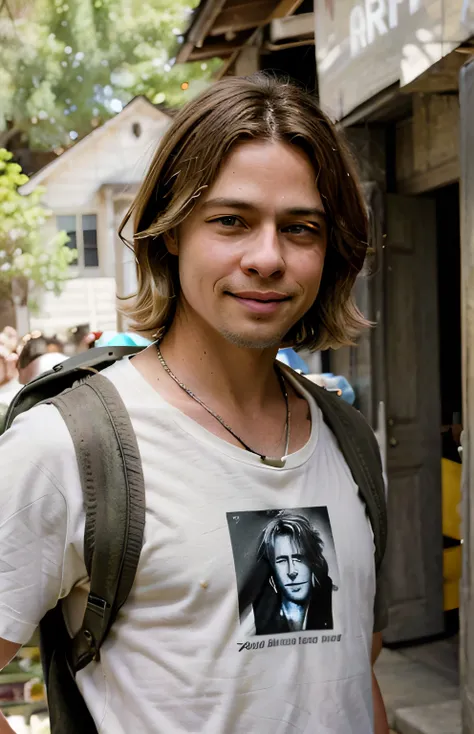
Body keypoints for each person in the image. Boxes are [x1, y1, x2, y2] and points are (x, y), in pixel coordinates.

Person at [0, 73, 389, 734]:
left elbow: (352, 675)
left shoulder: (347, 439)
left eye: (300, 228)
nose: (267, 257)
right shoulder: (68, 448)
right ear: (173, 230)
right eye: (232, 221)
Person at [252, 511, 334, 634]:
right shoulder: (257, 619)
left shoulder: (334, 607)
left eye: (298, 558)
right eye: (282, 560)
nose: (292, 571)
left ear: (313, 562)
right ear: (271, 569)